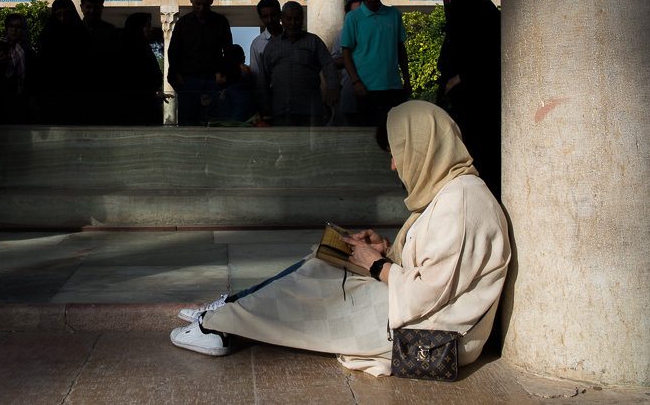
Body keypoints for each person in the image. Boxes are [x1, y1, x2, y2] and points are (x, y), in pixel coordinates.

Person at [169, 101, 510, 378]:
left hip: (431, 335)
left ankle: (218, 325)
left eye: (396, 152)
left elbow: (427, 294)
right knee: (325, 262)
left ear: (422, 146)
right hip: (422, 315)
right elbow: (437, 269)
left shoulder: (461, 202)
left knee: (319, 281)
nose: (393, 165)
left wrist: (375, 264)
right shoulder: (450, 192)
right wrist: (385, 250)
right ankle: (232, 307)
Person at [437, 0, 502, 198]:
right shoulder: (458, 24)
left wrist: (462, 78)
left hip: (480, 109)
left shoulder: (488, 22)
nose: (448, 1)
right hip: (459, 109)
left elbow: (491, 62)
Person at [340, 0, 411, 127]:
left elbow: (400, 49)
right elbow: (346, 53)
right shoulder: (353, 18)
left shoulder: (394, 15)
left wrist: (407, 79)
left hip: (393, 87)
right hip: (365, 88)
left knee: (393, 133)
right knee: (368, 133)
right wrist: (356, 82)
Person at [256, 1, 339, 126]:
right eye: (289, 19)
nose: (293, 23)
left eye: (297, 19)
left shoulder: (313, 41)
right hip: (280, 111)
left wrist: (332, 88)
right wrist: (264, 104)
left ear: (302, 19)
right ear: (282, 20)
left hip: (310, 110)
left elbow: (328, 65)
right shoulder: (272, 46)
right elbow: (264, 78)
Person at [166, 0, 233, 125]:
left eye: (205, 4)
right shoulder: (183, 24)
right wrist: (178, 77)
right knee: (189, 125)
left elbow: (228, 52)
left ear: (211, 1)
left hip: (212, 83)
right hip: (188, 82)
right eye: (198, 4)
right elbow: (173, 52)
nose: (201, 8)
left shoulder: (220, 22)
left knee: (214, 123)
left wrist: (222, 75)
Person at [37, 0, 92, 124]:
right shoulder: (47, 36)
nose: (62, 19)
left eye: (66, 14)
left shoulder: (81, 35)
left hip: (78, 95)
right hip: (52, 95)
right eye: (58, 15)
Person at [0, 12, 37, 124]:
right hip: (0, 103)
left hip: (22, 103)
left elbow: (33, 79)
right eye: (11, 26)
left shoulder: (29, 53)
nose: (14, 30)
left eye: (18, 27)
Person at [80, 0, 120, 124]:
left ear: (102, 8)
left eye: (96, 7)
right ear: (81, 7)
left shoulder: (110, 31)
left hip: (104, 92)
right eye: (88, 7)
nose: (92, 11)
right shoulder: (75, 31)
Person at [117, 12, 164, 125]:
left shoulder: (145, 49)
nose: (151, 29)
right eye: (147, 25)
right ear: (137, 28)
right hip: (134, 109)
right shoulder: (127, 52)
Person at [331, 0, 366, 125]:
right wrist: (351, 59)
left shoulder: (377, 31)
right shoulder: (342, 34)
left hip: (375, 93)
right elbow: (333, 61)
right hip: (350, 92)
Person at [248, 0, 283, 117]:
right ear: (261, 18)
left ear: (279, 15)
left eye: (273, 15)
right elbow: (256, 77)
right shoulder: (257, 44)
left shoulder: (291, 38)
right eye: (265, 16)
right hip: (269, 99)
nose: (270, 20)